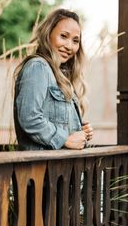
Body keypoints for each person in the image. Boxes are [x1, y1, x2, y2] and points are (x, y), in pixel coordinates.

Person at [13, 8, 93, 151]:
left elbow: (54, 119)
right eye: (63, 36)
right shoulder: (38, 67)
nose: (69, 46)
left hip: (60, 169)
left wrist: (79, 131)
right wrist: (65, 139)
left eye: (75, 41)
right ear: (48, 34)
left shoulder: (60, 76)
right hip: (41, 169)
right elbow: (30, 118)